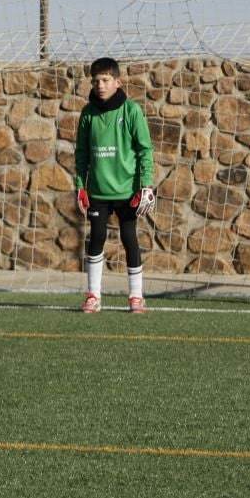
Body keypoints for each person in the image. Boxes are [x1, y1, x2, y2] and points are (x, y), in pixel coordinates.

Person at [73, 56, 156, 314]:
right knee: (96, 238)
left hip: (127, 191)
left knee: (128, 238)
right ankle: (93, 295)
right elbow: (81, 153)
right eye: (96, 80)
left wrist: (147, 185)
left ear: (117, 82)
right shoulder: (88, 113)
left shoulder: (131, 111)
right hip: (97, 191)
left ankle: (135, 296)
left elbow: (145, 149)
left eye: (106, 80)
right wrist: (80, 186)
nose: (100, 85)